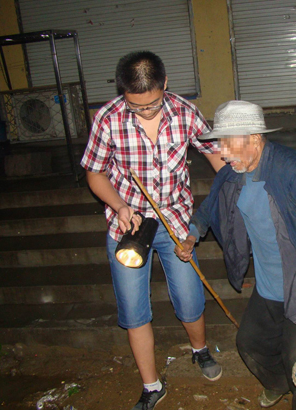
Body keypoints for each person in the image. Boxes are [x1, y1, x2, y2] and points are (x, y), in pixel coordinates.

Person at [174, 100, 296, 410]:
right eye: (219, 143)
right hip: (268, 285)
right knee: (249, 344)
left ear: (255, 138)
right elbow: (208, 207)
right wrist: (192, 234)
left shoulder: (295, 171)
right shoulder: (233, 172)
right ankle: (277, 384)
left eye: (227, 141)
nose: (221, 151)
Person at [80, 51, 225, 410]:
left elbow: (216, 157)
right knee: (134, 310)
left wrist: (237, 187)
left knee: (190, 299)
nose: (145, 112)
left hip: (175, 220)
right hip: (128, 224)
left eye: (153, 104)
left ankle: (200, 350)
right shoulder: (107, 118)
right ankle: (151, 385)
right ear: (122, 93)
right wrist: (119, 205)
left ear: (165, 86)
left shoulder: (185, 112)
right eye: (135, 106)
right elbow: (95, 173)